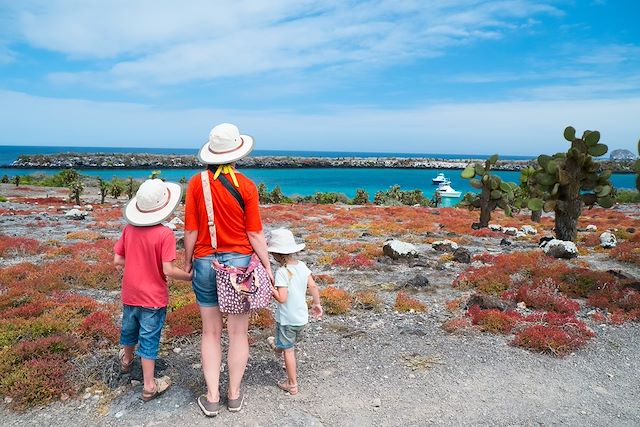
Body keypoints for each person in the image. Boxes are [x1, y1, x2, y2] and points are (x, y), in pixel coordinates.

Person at [184, 123, 274, 416]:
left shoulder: (196, 183)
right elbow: (255, 235)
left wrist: (188, 261)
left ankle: (211, 397)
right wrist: (268, 266)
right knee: (238, 333)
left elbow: (191, 231)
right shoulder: (246, 186)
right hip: (239, 267)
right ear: (237, 153)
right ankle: (233, 395)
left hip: (205, 261)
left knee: (210, 332)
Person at [114, 179, 192, 402]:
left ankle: (126, 361)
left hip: (130, 293)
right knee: (148, 338)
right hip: (153, 297)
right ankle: (149, 385)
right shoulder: (165, 234)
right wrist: (189, 276)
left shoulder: (129, 229)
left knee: (129, 330)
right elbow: (168, 269)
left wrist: (136, 262)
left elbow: (117, 259)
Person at [267, 228, 323, 396]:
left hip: (286, 319)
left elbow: (282, 298)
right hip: (301, 318)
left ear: (275, 254)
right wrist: (317, 303)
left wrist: (270, 288)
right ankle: (277, 347)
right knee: (287, 343)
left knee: (289, 350)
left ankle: (292, 384)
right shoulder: (302, 266)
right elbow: (312, 286)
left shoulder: (282, 272)